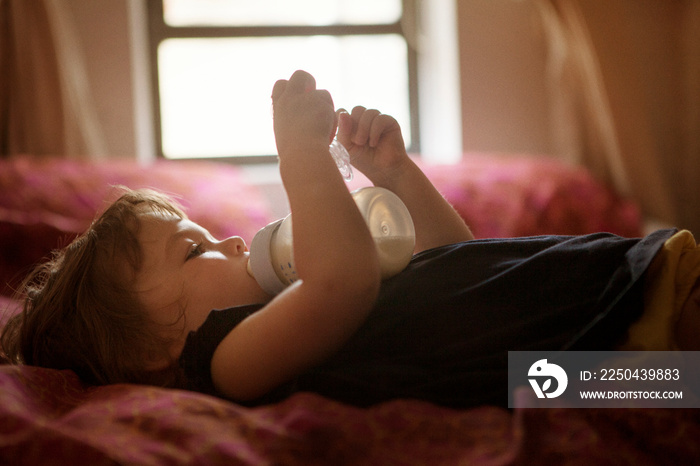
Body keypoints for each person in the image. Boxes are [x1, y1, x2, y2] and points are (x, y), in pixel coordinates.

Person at [2, 70, 699, 409]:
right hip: (582, 348)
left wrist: (395, 175)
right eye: (195, 250)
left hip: (595, 310)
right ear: (153, 352)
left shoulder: (289, 313)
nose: (237, 244)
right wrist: (299, 159)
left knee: (681, 367)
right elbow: (344, 280)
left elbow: (452, 263)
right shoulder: (225, 361)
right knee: (679, 377)